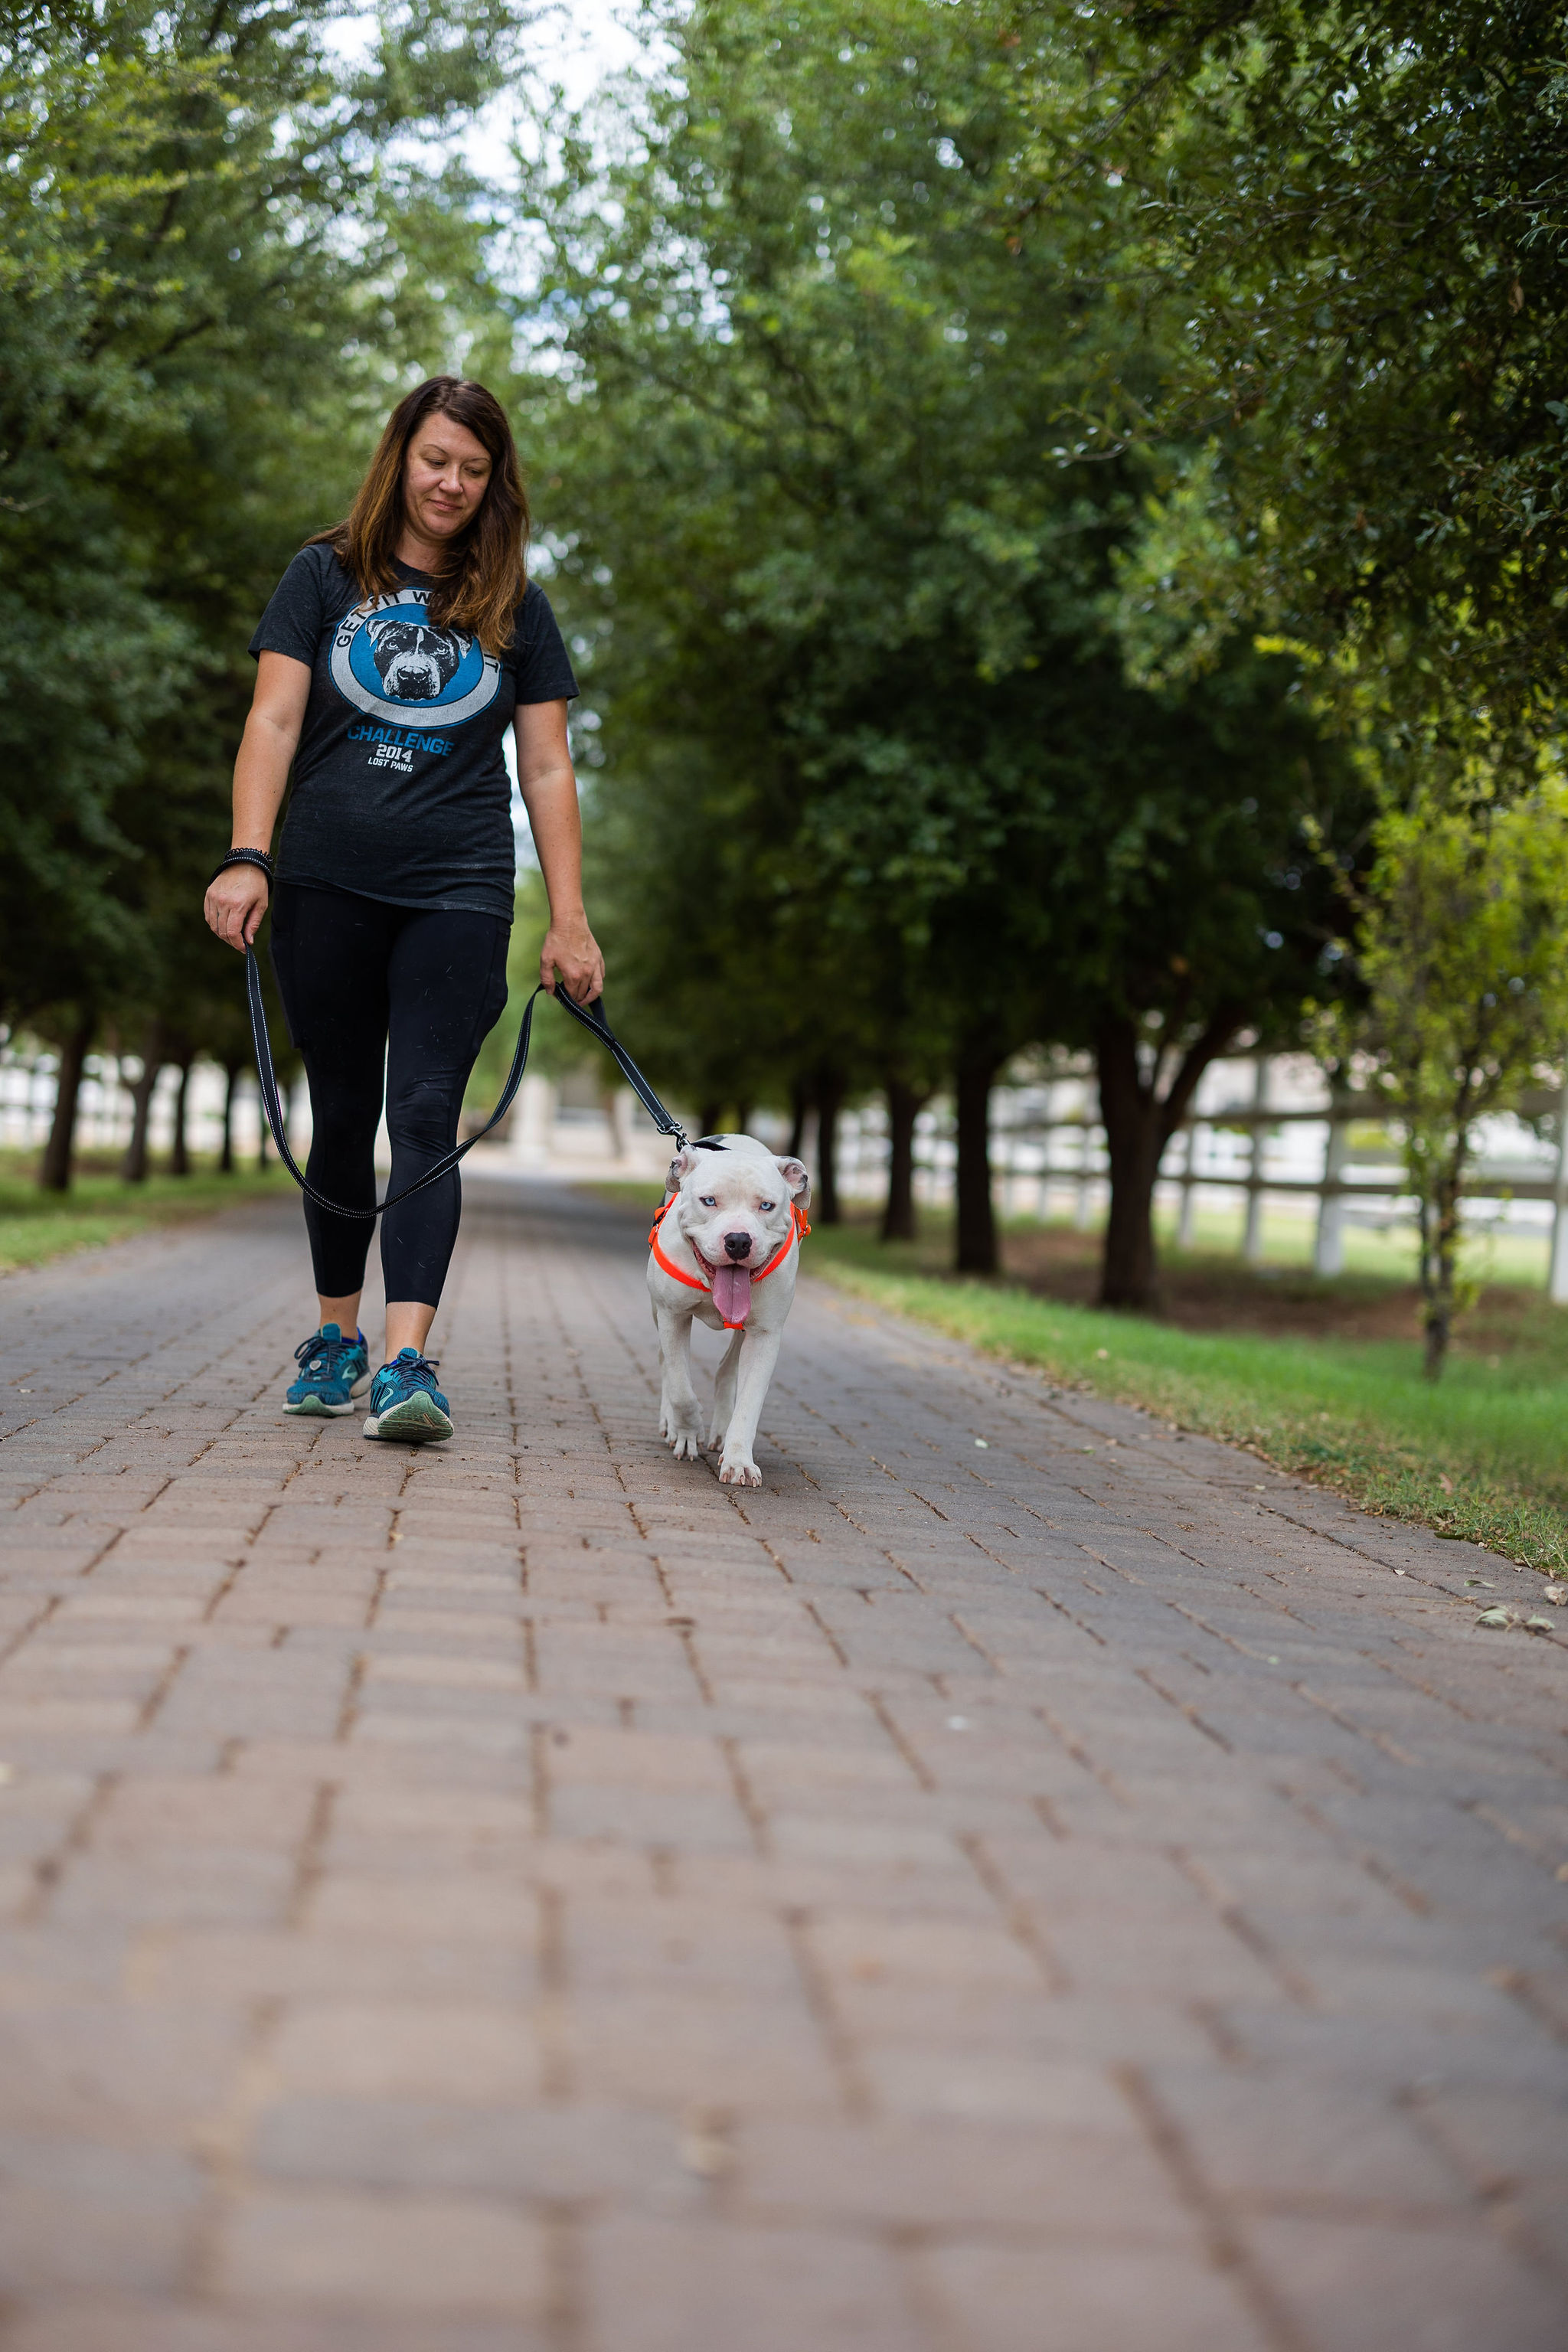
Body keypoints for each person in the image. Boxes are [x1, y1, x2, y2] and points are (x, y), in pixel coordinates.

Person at [204, 374, 603, 1444]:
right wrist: (249, 855)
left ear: (494, 484)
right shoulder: (322, 575)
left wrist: (569, 919)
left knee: (423, 1111)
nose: (452, 485)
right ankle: (336, 1337)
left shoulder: (516, 604)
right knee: (341, 1113)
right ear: (401, 458)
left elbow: (550, 767)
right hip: (329, 878)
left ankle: (406, 1361)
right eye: (437, 461)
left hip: (460, 888)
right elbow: (274, 722)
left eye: (474, 471)